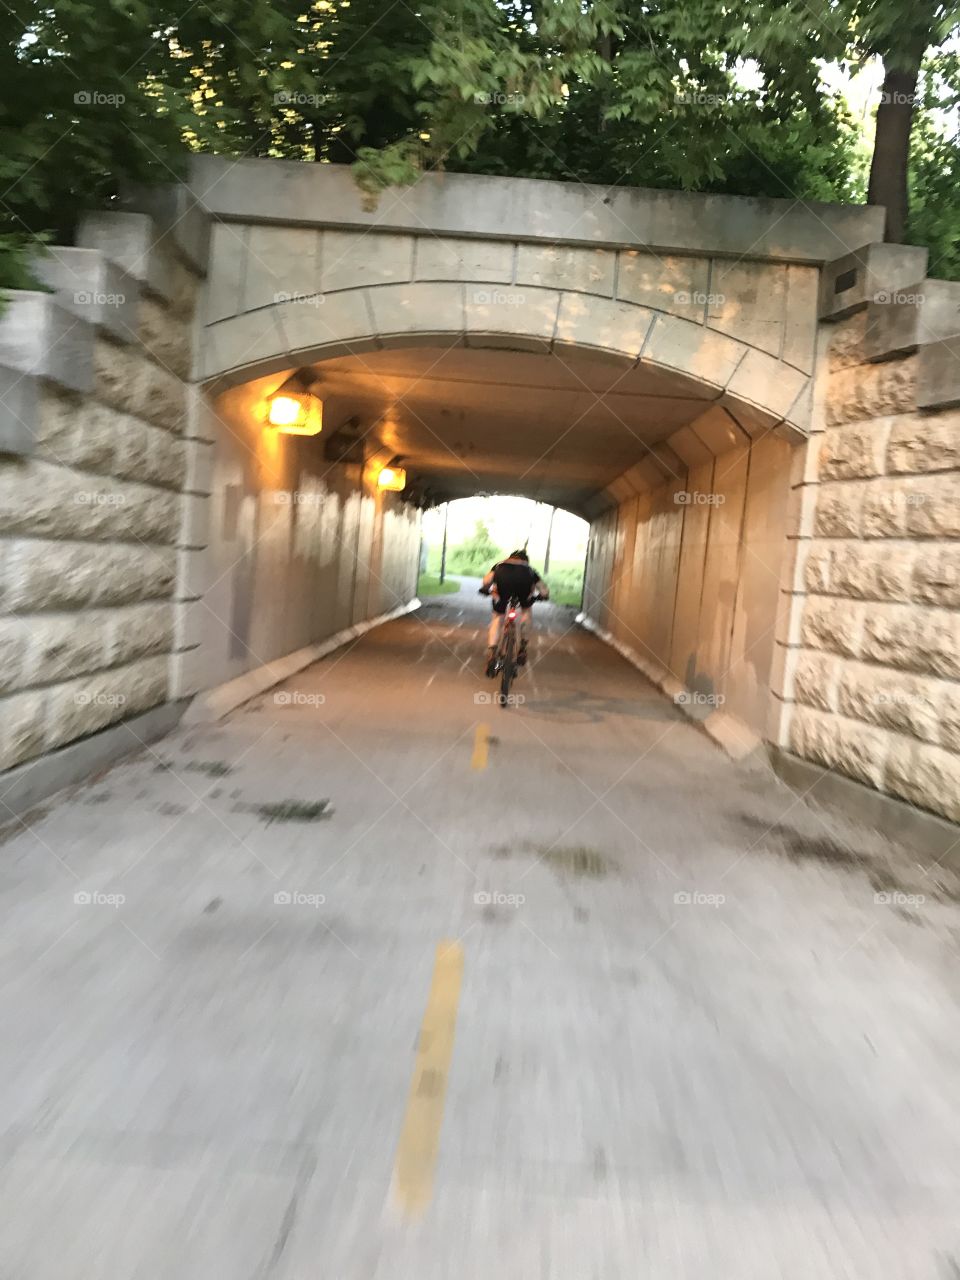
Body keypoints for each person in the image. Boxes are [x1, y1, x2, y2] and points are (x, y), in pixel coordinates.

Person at [480, 549, 549, 676]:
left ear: (511, 557)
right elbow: (543, 590)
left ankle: (492, 652)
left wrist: (485, 589)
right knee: (526, 611)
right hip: (524, 583)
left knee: (498, 617)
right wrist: (542, 596)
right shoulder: (529, 569)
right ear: (525, 560)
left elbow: (486, 581)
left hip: (503, 581)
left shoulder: (501, 565)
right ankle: (522, 648)